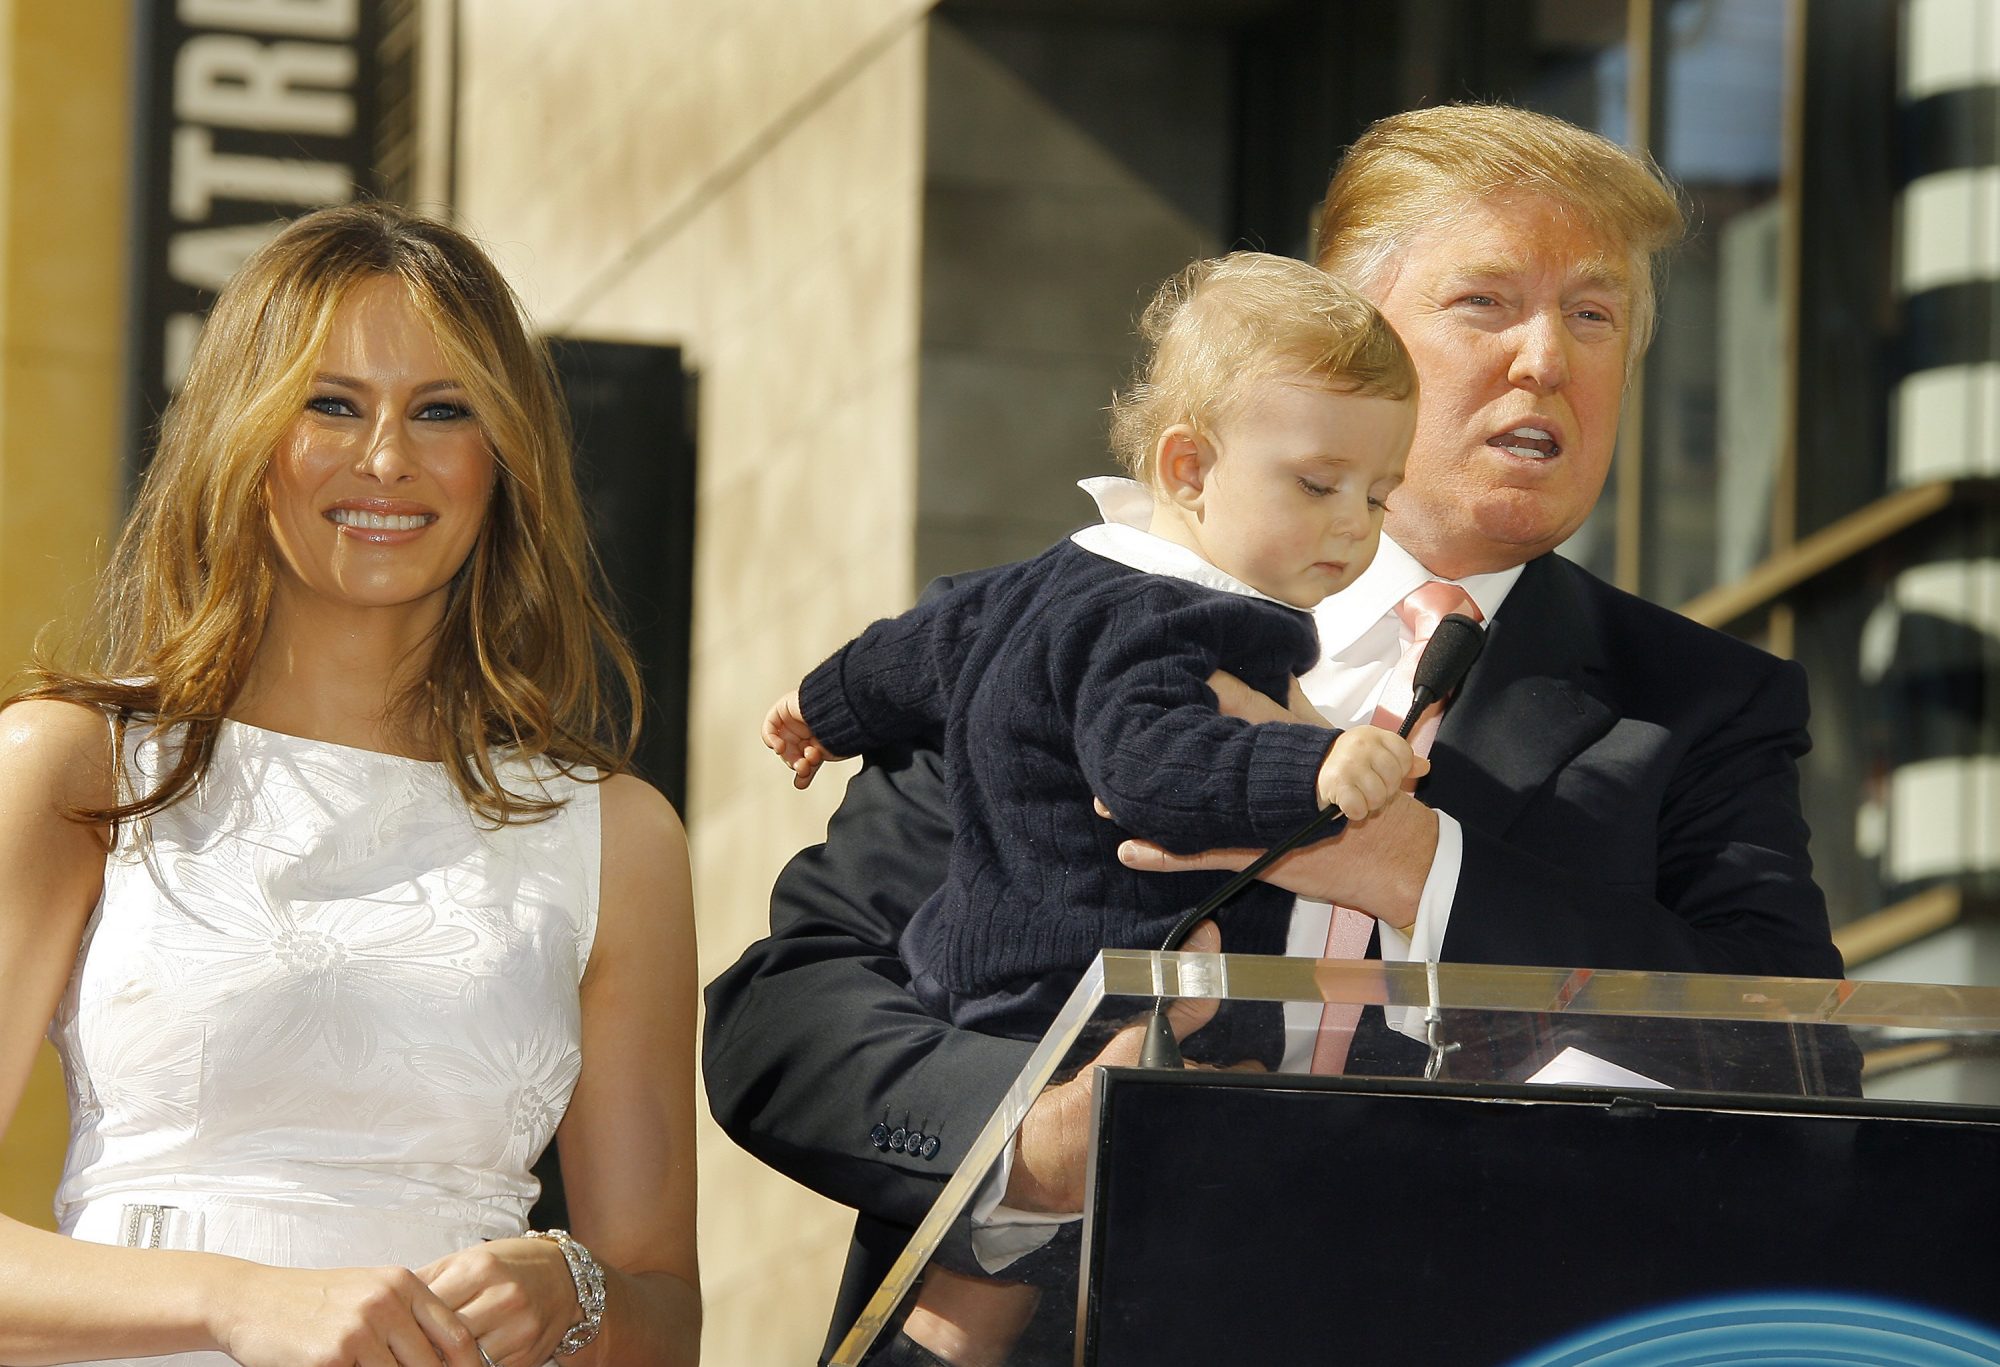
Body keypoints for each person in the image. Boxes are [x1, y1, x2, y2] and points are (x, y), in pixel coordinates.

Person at [703, 103, 1846, 1364]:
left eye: (1593, 314)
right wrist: (1033, 1143)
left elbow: (1794, 1069)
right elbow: (788, 1008)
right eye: (1484, 303)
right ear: (1349, 339)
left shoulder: (1704, 704)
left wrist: (1413, 871)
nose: (1544, 359)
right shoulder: (1063, 615)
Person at [0, 205, 701, 1366]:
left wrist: (572, 1285)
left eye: (442, 409)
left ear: (505, 455)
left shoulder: (610, 833)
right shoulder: (75, 763)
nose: (387, 458)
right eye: (331, 404)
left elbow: (664, 1312)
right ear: (242, 429)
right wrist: (238, 1300)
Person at [761, 252, 1419, 1049]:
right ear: (1190, 468)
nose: (1357, 523)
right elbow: (1146, 765)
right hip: (1086, 993)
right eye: (1319, 485)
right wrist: (1309, 769)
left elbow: (919, 650)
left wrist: (824, 706)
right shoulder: (1165, 620)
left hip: (1002, 968)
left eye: (1380, 495)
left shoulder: (1058, 575)